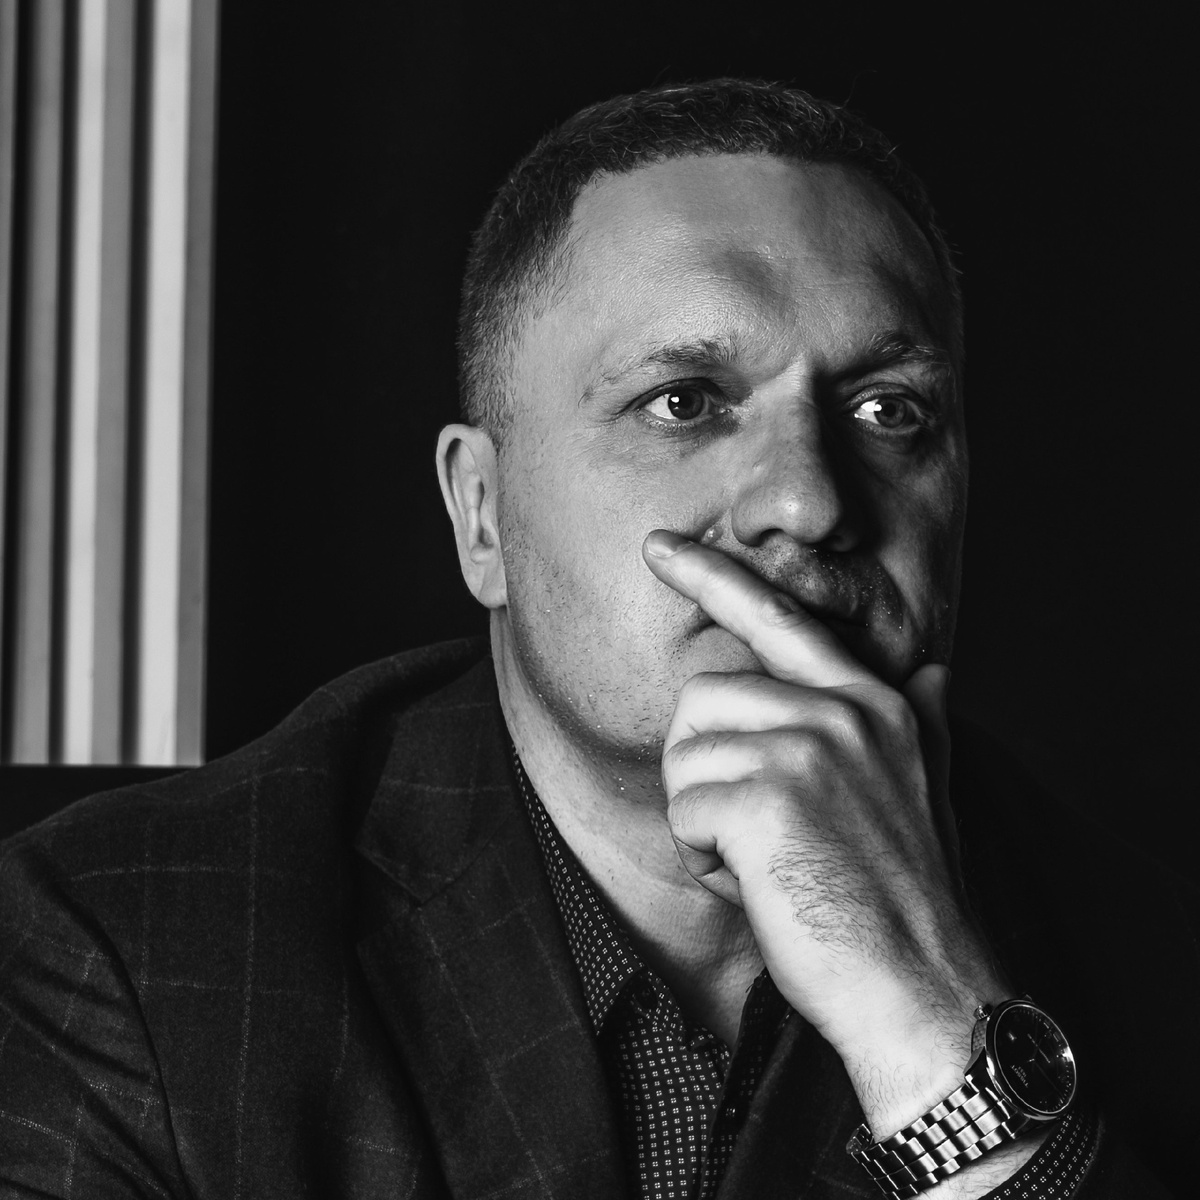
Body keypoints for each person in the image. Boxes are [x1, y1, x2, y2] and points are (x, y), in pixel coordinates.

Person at [0, 80, 1190, 1199]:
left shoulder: (1153, 963)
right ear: (483, 515)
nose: (808, 501)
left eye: (890, 410)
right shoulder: (127, 955)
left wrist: (925, 1019)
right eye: (684, 402)